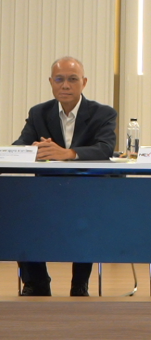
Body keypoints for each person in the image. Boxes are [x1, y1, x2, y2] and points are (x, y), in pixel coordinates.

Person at [15, 57, 117, 297]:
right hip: (46, 191)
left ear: (84, 82)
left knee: (87, 215)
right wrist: (34, 150)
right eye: (59, 79)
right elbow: (20, 145)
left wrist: (68, 154)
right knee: (18, 212)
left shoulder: (103, 113)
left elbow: (105, 148)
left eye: (72, 79)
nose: (65, 85)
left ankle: (79, 285)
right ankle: (37, 282)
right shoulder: (39, 113)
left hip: (86, 190)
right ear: (51, 82)